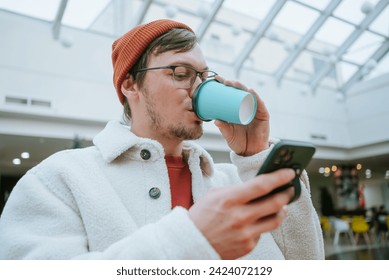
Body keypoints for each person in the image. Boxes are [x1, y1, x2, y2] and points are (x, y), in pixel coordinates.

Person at [0, 19, 324, 260]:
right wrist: (192, 240)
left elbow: (305, 262)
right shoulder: (60, 179)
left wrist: (255, 160)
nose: (196, 89)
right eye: (181, 73)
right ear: (130, 85)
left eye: (203, 77)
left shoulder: (229, 182)